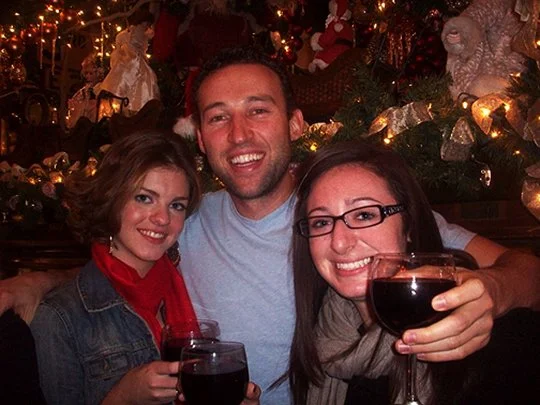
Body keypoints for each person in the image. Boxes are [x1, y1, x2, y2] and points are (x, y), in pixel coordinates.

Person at [1, 46, 539, 404]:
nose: (239, 135)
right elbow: (124, 260)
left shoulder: (357, 213)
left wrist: (493, 292)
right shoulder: (187, 217)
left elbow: (527, 270)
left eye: (258, 110)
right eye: (218, 117)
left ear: (295, 123)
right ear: (201, 138)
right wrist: (39, 283)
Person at [288, 139, 540, 404]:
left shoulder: (485, 341)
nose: (339, 242)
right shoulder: (322, 334)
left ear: (408, 226)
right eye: (321, 222)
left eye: (364, 215)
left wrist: (497, 288)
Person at [29, 130, 259, 404]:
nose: (162, 218)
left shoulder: (192, 282)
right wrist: (123, 397)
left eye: (176, 205)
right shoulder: (59, 318)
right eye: (144, 198)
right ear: (111, 198)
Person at [98, 8, 160, 115]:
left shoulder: (130, 33)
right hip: (132, 59)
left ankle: (129, 107)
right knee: (138, 81)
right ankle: (131, 107)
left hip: (129, 60)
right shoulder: (138, 31)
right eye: (147, 23)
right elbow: (141, 42)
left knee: (127, 84)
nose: (147, 25)